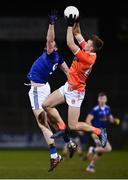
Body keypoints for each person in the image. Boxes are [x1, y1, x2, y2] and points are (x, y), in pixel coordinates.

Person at [42, 14, 107, 147]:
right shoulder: (87, 49)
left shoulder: (88, 57)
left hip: (76, 92)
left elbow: (70, 43)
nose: (85, 42)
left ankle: (99, 131)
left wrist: (69, 25)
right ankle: (61, 128)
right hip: (68, 86)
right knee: (46, 105)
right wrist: (76, 19)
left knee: (74, 125)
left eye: (88, 42)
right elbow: (77, 33)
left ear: (92, 48)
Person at [26, 10, 76, 172]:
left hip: (37, 90)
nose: (48, 44)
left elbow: (50, 39)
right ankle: (70, 142)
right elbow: (69, 73)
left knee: (42, 123)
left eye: (51, 45)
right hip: (44, 87)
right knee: (54, 120)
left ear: (54, 47)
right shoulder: (58, 57)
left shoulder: (50, 53)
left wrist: (52, 23)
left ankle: (55, 156)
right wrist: (77, 84)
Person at [85, 92, 120, 173]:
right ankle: (92, 150)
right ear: (98, 99)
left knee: (100, 151)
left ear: (106, 99)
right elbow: (87, 120)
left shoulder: (108, 108)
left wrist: (115, 120)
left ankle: (90, 166)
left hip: (103, 132)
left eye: (104, 98)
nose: (102, 100)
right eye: (101, 98)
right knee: (108, 148)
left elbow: (110, 119)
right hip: (97, 131)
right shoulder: (95, 109)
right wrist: (92, 129)